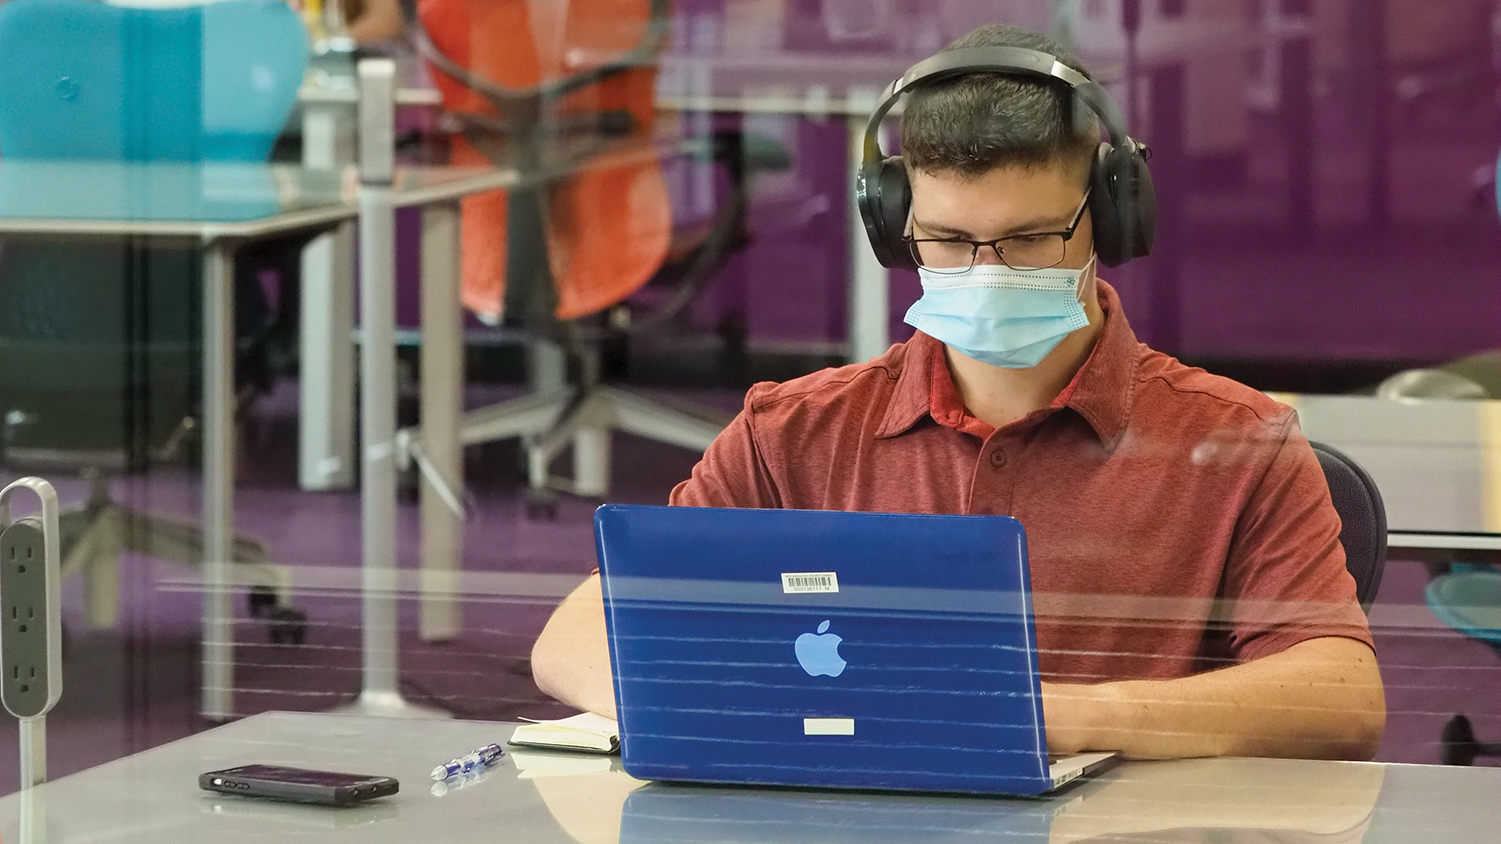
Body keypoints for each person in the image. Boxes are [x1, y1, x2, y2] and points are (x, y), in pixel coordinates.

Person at [529, 24, 1386, 761]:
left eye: (1026, 239)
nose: (984, 271)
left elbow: (1341, 697)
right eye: (945, 239)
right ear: (894, 226)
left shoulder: (1232, 441)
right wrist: (743, 713)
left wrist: (1057, 718)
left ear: (1112, 219)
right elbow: (574, 637)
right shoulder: (792, 431)